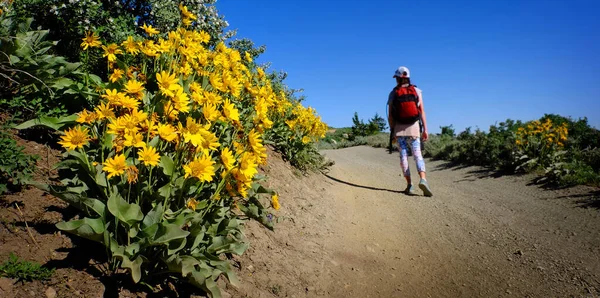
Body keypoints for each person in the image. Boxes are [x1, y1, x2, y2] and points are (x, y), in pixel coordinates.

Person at [387, 66, 433, 197]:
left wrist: (393, 130)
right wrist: (425, 129)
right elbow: (422, 111)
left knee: (403, 157)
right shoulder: (417, 91)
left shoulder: (393, 93)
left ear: (397, 78)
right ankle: (423, 179)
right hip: (414, 129)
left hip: (399, 130)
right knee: (418, 155)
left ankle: (410, 185)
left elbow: (390, 115)